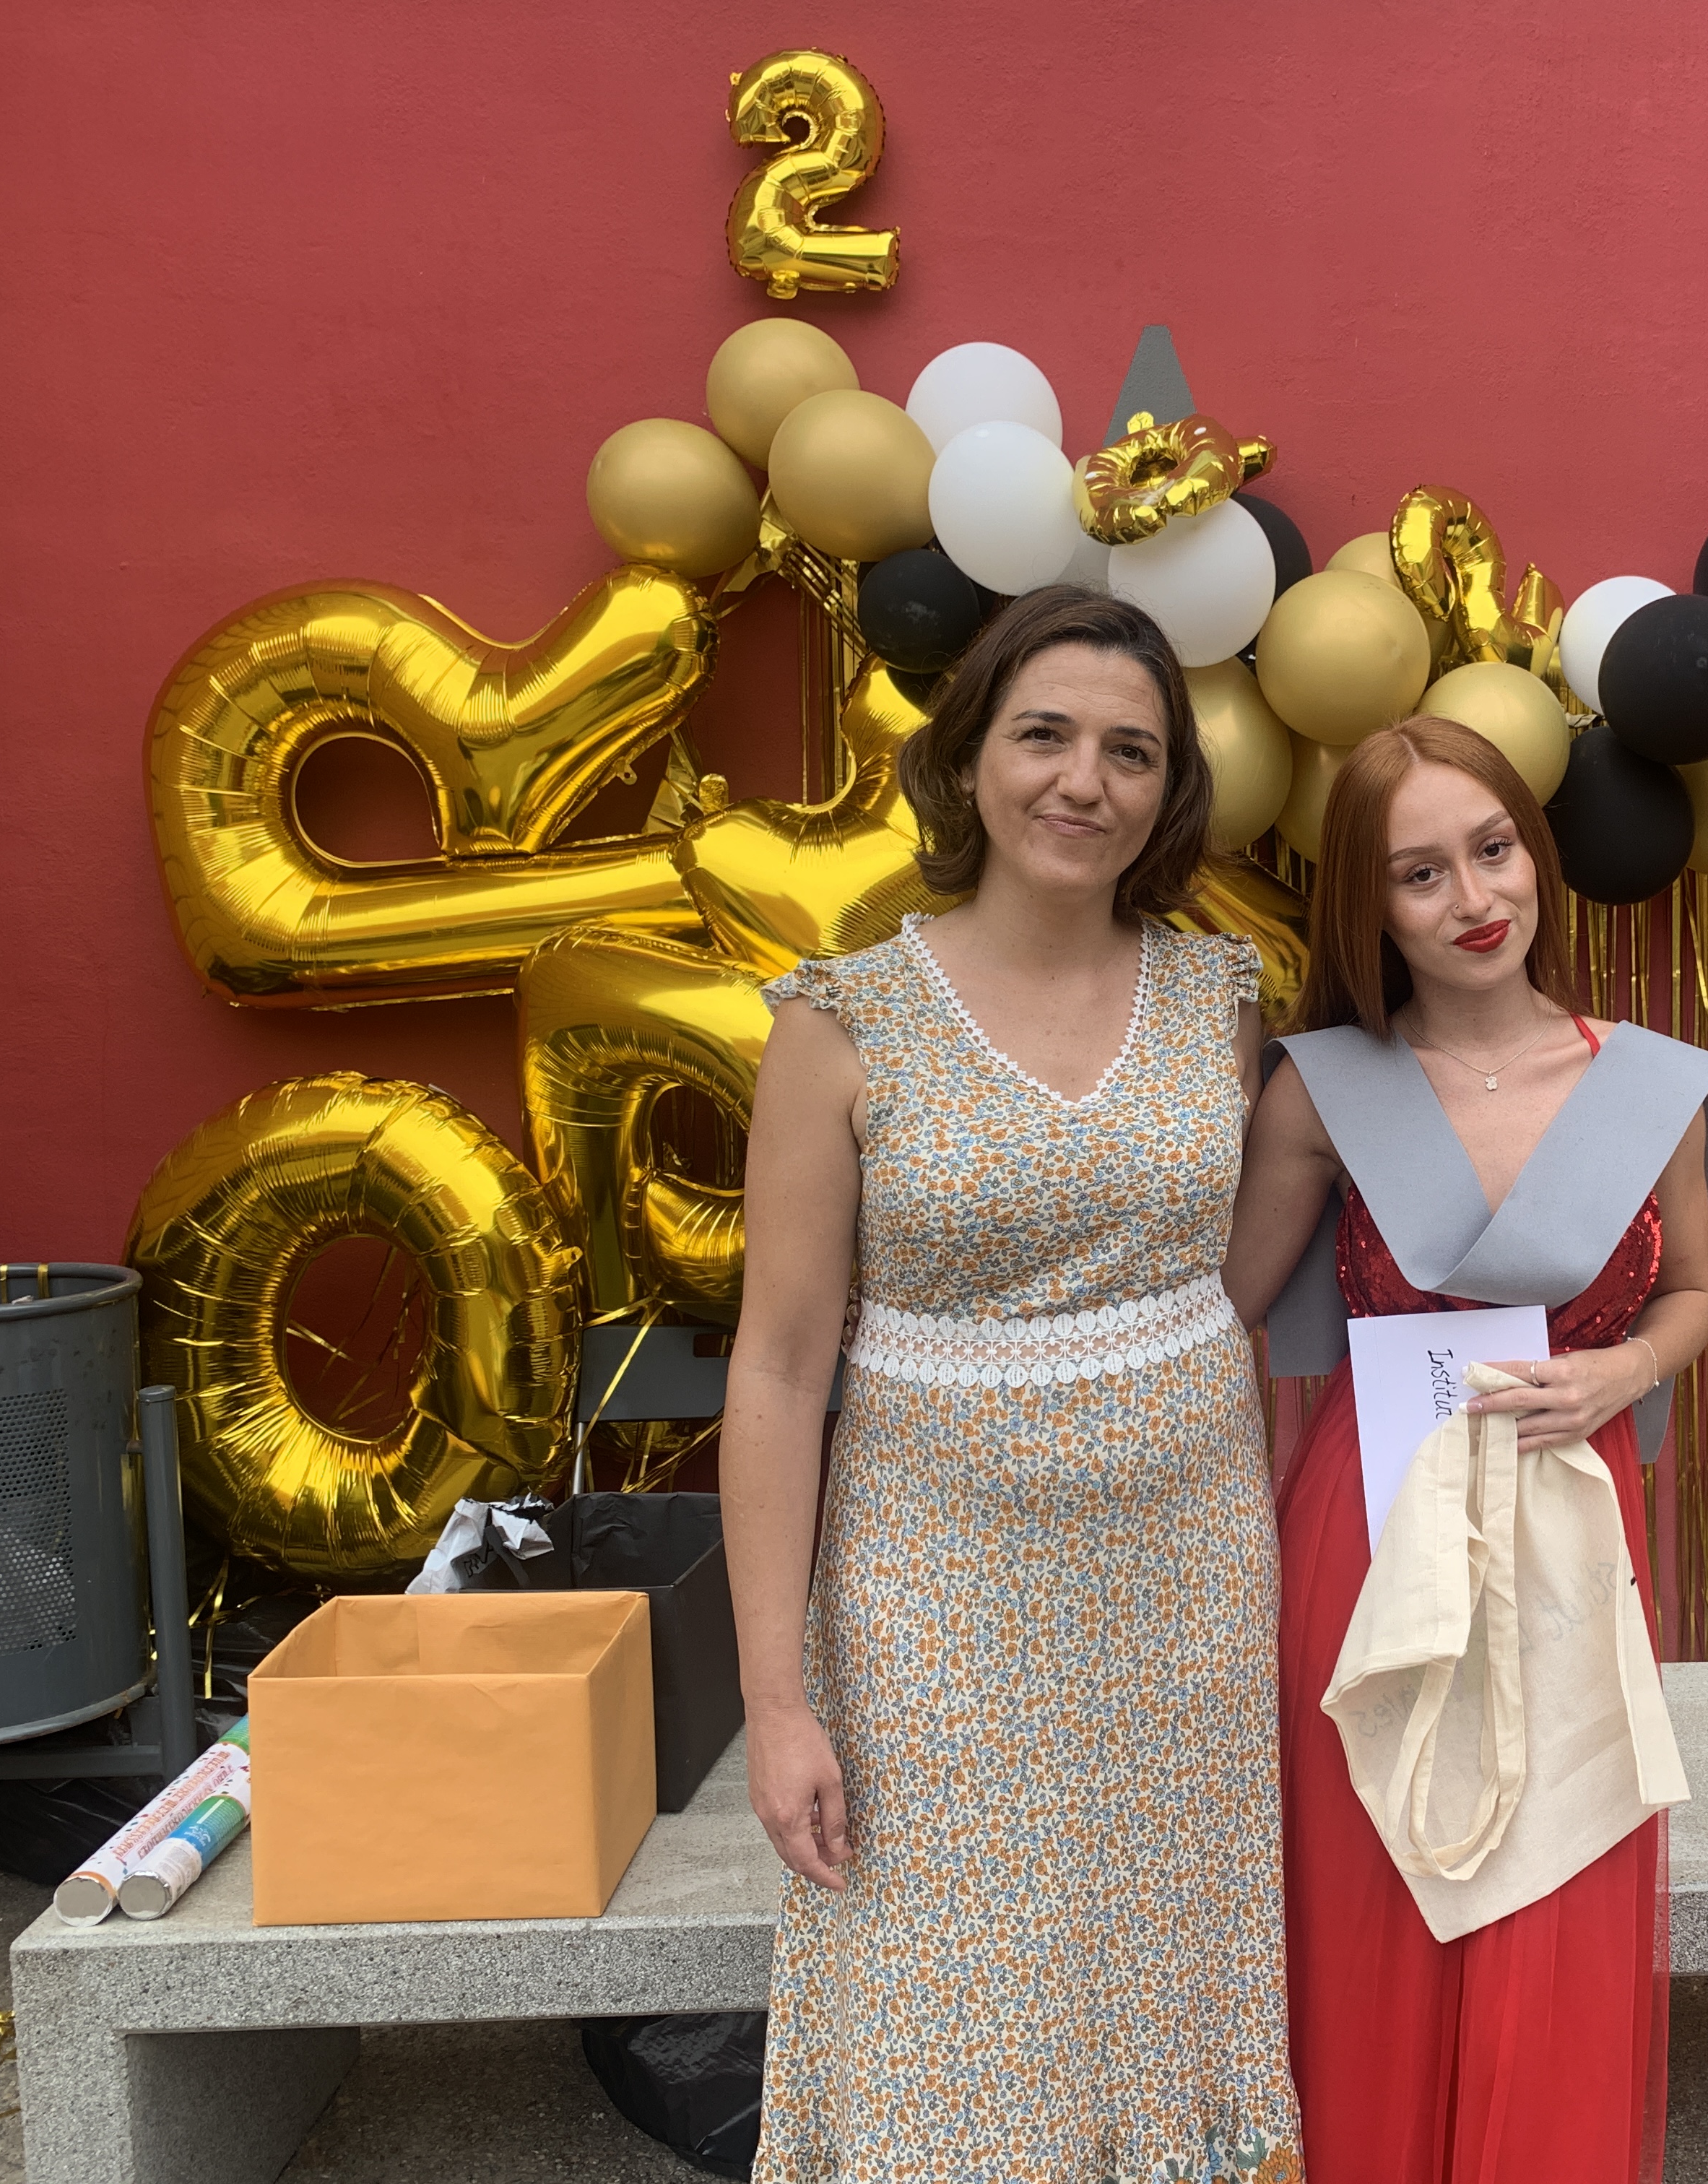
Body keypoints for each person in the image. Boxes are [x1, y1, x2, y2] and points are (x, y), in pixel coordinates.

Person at [723, 586, 1303, 2180]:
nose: (1082, 781)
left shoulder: (1221, 998)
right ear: (970, 756)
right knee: (942, 1988)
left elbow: (1237, 1272)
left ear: (1167, 793)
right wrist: (777, 1704)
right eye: (1043, 735)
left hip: (1185, 1589)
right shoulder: (841, 1024)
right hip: (935, 1597)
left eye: (1132, 752)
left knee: (1162, 1972)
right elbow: (777, 1368)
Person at [1222, 716, 1708, 2183]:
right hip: (1370, 1526)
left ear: (1536, 852)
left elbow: (1697, 1298)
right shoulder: (1324, 1092)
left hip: (1571, 1514)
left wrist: (1623, 1369)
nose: (1473, 898)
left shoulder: (1645, 1084)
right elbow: (1223, 1314)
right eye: (1419, 873)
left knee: (1555, 1863)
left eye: (1492, 849)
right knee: (1377, 1884)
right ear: (1369, 909)